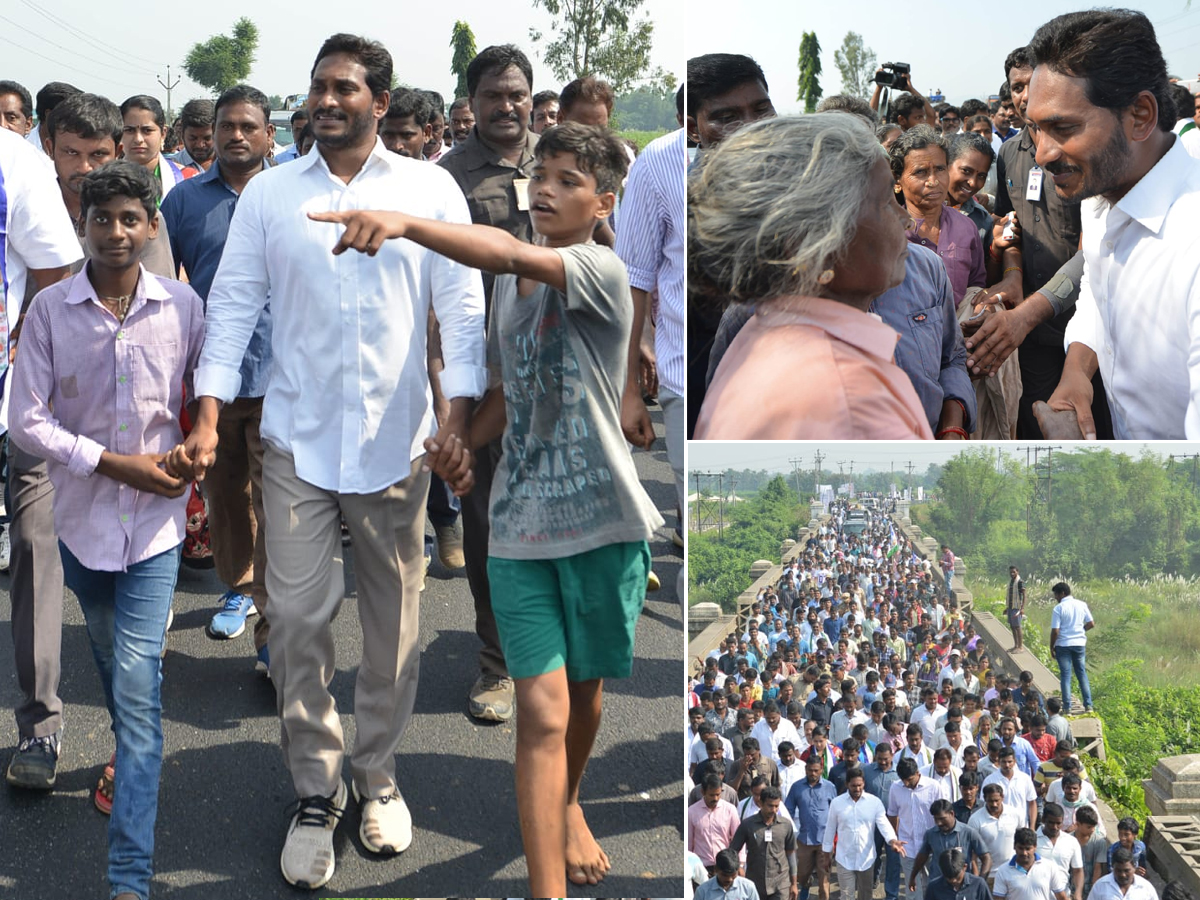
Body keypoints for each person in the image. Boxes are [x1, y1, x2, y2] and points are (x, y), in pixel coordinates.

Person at [314, 120, 661, 893]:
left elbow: (502, 249)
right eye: (541, 174)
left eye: (569, 180)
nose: (545, 188)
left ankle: (569, 799)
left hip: (604, 523)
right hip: (522, 524)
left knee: (584, 696)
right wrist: (461, 440)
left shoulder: (600, 267)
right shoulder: (514, 284)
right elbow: (505, 392)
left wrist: (403, 221)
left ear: (604, 199)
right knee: (541, 716)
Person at [181, 33, 486, 890]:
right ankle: (316, 791)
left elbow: (461, 311)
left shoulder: (430, 189)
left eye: (344, 87)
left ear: (380, 103)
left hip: (398, 447)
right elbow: (233, 305)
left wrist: (456, 419)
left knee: (392, 635)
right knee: (301, 622)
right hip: (297, 442)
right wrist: (208, 415)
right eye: (317, 86)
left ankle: (378, 778)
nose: (325, 99)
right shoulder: (273, 195)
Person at [10, 159, 204, 900]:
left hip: (155, 532)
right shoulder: (52, 312)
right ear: (81, 227)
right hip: (83, 530)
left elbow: (205, 390)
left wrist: (200, 442)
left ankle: (128, 874)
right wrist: (115, 465)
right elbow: (28, 421)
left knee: (136, 683)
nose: (116, 232)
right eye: (101, 219)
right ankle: (131, 748)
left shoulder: (183, 308)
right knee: (116, 666)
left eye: (131, 218)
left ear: (152, 226)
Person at [692, 114, 930, 439]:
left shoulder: (767, 333)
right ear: (815, 246)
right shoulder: (850, 398)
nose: (904, 218)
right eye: (885, 202)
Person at [1025, 10, 1200, 440]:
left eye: (1062, 128)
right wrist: (1078, 372)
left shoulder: (1191, 243)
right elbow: (1099, 294)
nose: (1042, 154)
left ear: (1140, 115)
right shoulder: (1101, 193)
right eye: (1035, 130)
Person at [159, 84, 277, 666]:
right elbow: (157, 281)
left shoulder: (291, 196)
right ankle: (239, 588)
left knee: (282, 501)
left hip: (286, 375)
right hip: (216, 379)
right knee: (228, 496)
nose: (235, 135)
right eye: (226, 125)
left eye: (247, 126)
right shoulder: (182, 203)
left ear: (268, 135)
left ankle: (274, 635)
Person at [439, 44, 539, 724]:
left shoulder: (559, 160)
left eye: (518, 94)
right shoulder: (447, 179)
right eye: (494, 95)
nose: (508, 106)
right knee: (488, 523)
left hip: (560, 376)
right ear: (470, 104)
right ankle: (496, 665)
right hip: (486, 374)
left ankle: (546, 657)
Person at [962, 46, 1112, 442]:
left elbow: (1094, 248)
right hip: (1033, 329)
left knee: (1100, 428)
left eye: (1032, 83)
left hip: (1091, 319)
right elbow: (1010, 229)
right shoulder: (1010, 153)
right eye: (1017, 87)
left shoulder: (1084, 149)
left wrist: (1027, 312)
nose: (1025, 95)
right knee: (1039, 425)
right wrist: (1012, 275)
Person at [0, 122, 83, 791]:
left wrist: (22, 360)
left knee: (33, 547)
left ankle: (40, 725)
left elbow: (55, 271)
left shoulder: (14, 163)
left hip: (14, 403)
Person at [685, 53, 776, 436]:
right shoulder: (688, 206)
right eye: (727, 117)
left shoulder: (796, 183)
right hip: (714, 391)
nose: (751, 128)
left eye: (761, 109)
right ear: (694, 129)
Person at [890, 127, 988, 310]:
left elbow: (975, 285)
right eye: (920, 172)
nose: (933, 181)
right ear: (897, 182)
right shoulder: (889, 233)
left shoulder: (965, 227)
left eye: (940, 169)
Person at [824, 767, 907, 900]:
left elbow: (883, 824)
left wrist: (892, 840)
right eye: (853, 786)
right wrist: (826, 852)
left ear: (864, 784)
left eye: (860, 785)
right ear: (847, 784)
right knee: (846, 895)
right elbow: (830, 828)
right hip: (844, 858)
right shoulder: (837, 803)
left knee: (866, 895)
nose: (857, 789)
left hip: (866, 858)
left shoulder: (874, 802)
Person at [889, 757, 950, 900]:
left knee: (933, 887)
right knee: (912, 890)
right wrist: (895, 838)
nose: (906, 783)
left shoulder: (933, 786)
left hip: (931, 847)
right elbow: (892, 814)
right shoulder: (895, 788)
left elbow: (943, 814)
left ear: (917, 773)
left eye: (909, 779)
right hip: (907, 847)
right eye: (903, 779)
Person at [730, 786, 799, 900]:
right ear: (761, 803)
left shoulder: (786, 825)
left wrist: (794, 884)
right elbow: (733, 850)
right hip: (755, 883)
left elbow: (791, 854)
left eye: (776, 806)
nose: (773, 810)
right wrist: (739, 868)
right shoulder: (748, 825)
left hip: (780, 884)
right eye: (770, 805)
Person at [120, 95, 192, 203]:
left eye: (147, 130)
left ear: (163, 134)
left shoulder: (188, 179)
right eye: (129, 130)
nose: (138, 139)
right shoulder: (103, 181)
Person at [910, 799, 991, 890]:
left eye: (942, 818)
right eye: (935, 819)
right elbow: (922, 856)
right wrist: (912, 877)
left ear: (952, 814)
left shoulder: (968, 832)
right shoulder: (931, 834)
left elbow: (986, 858)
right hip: (938, 887)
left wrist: (981, 881)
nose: (939, 823)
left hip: (963, 886)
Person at [787, 754, 836, 900]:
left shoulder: (830, 787)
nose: (813, 774)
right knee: (801, 875)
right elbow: (788, 810)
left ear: (821, 769)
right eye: (810, 770)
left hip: (824, 841)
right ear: (805, 769)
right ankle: (806, 885)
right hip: (804, 840)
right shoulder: (796, 787)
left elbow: (836, 812)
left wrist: (836, 838)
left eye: (816, 770)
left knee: (824, 881)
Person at [1050, 582, 1094, 712]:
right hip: (1079, 644)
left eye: (1056, 595)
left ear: (1062, 593)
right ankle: (1088, 705)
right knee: (1082, 674)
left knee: (1065, 676)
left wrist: (1051, 646)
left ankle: (1067, 707)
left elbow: (1055, 631)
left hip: (1063, 645)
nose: (1056, 598)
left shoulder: (1059, 608)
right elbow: (1091, 623)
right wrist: (1080, 631)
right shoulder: (1082, 604)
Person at [993, 828, 1071, 900]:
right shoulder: (1003, 871)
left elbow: (1061, 897)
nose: (1024, 853)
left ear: (1035, 847)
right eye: (1020, 848)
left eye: (1028, 849)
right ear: (1014, 846)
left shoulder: (1049, 867)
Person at [689, 774, 742, 873]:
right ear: (703, 792)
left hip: (726, 866)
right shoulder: (691, 812)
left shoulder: (730, 810)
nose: (716, 798)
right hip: (701, 868)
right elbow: (689, 843)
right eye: (712, 795)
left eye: (718, 794)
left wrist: (741, 864)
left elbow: (738, 838)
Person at [970, 783, 1022, 873]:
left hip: (1012, 871)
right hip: (987, 874)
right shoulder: (975, 819)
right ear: (985, 799)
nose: (994, 804)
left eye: (996, 800)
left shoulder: (1015, 814)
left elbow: (1023, 840)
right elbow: (972, 852)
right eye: (990, 801)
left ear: (1002, 797)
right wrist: (977, 879)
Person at [1037, 803, 1083, 900]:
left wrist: (1078, 893)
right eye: (1051, 822)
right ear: (1043, 820)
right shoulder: (1032, 841)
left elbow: (1078, 870)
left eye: (1058, 823)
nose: (1055, 827)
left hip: (1063, 896)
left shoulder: (1071, 842)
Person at [983, 747, 1038, 828]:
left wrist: (1032, 827)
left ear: (1015, 761)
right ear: (998, 762)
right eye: (1004, 762)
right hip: (998, 827)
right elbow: (984, 804)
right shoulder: (990, 780)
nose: (1007, 765)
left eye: (1010, 762)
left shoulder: (1024, 779)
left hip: (1021, 827)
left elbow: (1032, 803)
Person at [378, 88, 433, 159]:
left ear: (426, 133)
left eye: (407, 135)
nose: (397, 146)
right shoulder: (365, 169)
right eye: (389, 136)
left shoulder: (439, 170)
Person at [696, 847, 764, 900]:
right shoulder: (703, 891)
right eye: (724, 875)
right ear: (716, 869)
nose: (729, 879)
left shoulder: (748, 887)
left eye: (733, 875)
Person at [1091, 848, 1159, 900]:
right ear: (1112, 868)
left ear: (1134, 867)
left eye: (1126, 871)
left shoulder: (1146, 887)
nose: (1123, 875)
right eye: (1118, 870)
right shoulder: (1100, 885)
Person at [926, 848, 992, 900]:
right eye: (948, 878)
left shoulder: (978, 884)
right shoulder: (934, 887)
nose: (953, 881)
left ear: (964, 867)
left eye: (957, 877)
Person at [172, 98, 215, 172]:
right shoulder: (170, 169)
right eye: (193, 138)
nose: (200, 145)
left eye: (207, 138)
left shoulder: (232, 166)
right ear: (182, 134)